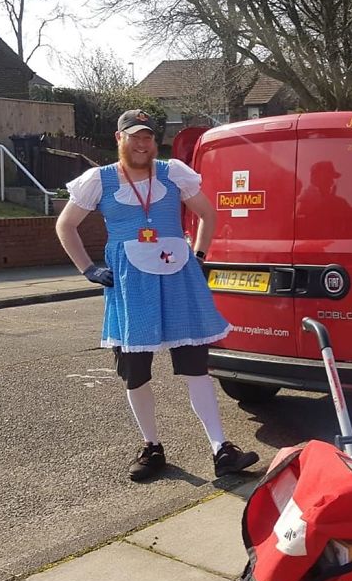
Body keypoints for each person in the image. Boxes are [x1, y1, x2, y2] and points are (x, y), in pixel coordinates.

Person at [55, 109, 259, 482]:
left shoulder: (173, 173)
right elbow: (66, 226)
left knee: (196, 364)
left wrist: (199, 255)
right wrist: (87, 269)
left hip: (178, 278)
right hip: (131, 285)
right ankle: (151, 447)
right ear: (119, 139)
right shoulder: (97, 180)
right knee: (136, 370)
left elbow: (208, 215)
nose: (142, 143)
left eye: (147, 136)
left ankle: (221, 449)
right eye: (134, 136)